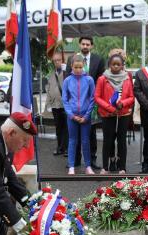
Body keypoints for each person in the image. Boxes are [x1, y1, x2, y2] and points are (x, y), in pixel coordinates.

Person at [66, 36, 105, 170]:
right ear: (79, 44)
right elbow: (67, 83)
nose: (85, 46)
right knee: (73, 138)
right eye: (83, 44)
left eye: (88, 44)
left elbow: (101, 81)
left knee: (89, 136)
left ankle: (91, 161)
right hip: (74, 108)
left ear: (91, 46)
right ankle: (74, 161)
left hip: (89, 106)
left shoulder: (98, 60)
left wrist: (91, 108)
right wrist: (71, 112)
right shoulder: (72, 60)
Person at [94, 54, 134, 174]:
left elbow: (132, 97)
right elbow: (97, 97)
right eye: (113, 64)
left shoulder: (127, 78)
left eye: (118, 64)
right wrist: (110, 108)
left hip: (123, 114)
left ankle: (122, 167)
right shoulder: (102, 78)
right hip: (108, 114)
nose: (116, 66)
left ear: (122, 66)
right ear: (109, 65)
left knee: (121, 140)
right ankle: (105, 167)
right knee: (108, 140)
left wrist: (123, 103)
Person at [62, 54, 96, 175]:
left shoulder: (89, 80)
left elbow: (92, 98)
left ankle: (88, 166)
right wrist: (71, 115)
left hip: (85, 117)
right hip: (72, 117)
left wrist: (87, 116)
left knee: (86, 141)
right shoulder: (67, 80)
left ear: (84, 66)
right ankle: (71, 166)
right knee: (72, 141)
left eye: (80, 67)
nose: (78, 70)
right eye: (75, 67)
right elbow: (65, 99)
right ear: (71, 66)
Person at [46, 52, 68, 156]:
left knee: (66, 128)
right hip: (55, 106)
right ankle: (60, 148)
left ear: (62, 61)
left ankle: (67, 149)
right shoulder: (51, 75)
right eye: (55, 61)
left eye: (58, 60)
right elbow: (49, 91)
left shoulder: (66, 73)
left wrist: (66, 70)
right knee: (58, 128)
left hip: (65, 106)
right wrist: (48, 105)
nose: (57, 62)